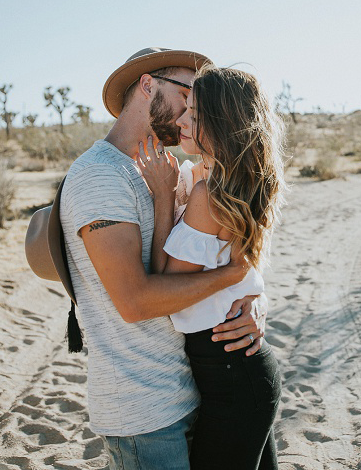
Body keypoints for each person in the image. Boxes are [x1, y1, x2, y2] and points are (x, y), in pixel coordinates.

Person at [59, 48, 267, 470]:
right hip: (145, 410)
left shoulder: (165, 169)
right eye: (187, 92)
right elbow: (135, 302)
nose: (193, 109)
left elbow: (217, 248)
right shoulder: (101, 176)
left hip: (194, 388)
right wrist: (232, 277)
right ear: (147, 85)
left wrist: (250, 305)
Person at [137, 65, 284, 470]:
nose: (182, 119)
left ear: (221, 123)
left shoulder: (208, 193)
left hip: (233, 381)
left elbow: (165, 285)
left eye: (195, 115)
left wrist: (164, 198)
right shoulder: (224, 178)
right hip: (241, 374)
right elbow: (240, 271)